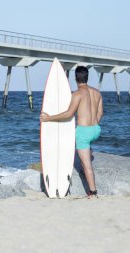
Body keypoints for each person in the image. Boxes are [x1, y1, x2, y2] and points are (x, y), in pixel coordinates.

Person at [40, 66, 103, 198]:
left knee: (87, 165)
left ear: (75, 78)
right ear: (87, 77)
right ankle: (87, 155)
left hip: (83, 132)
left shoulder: (78, 94)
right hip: (96, 130)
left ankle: (93, 192)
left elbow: (69, 114)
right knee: (86, 151)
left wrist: (48, 118)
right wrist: (93, 124)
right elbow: (100, 113)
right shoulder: (97, 92)